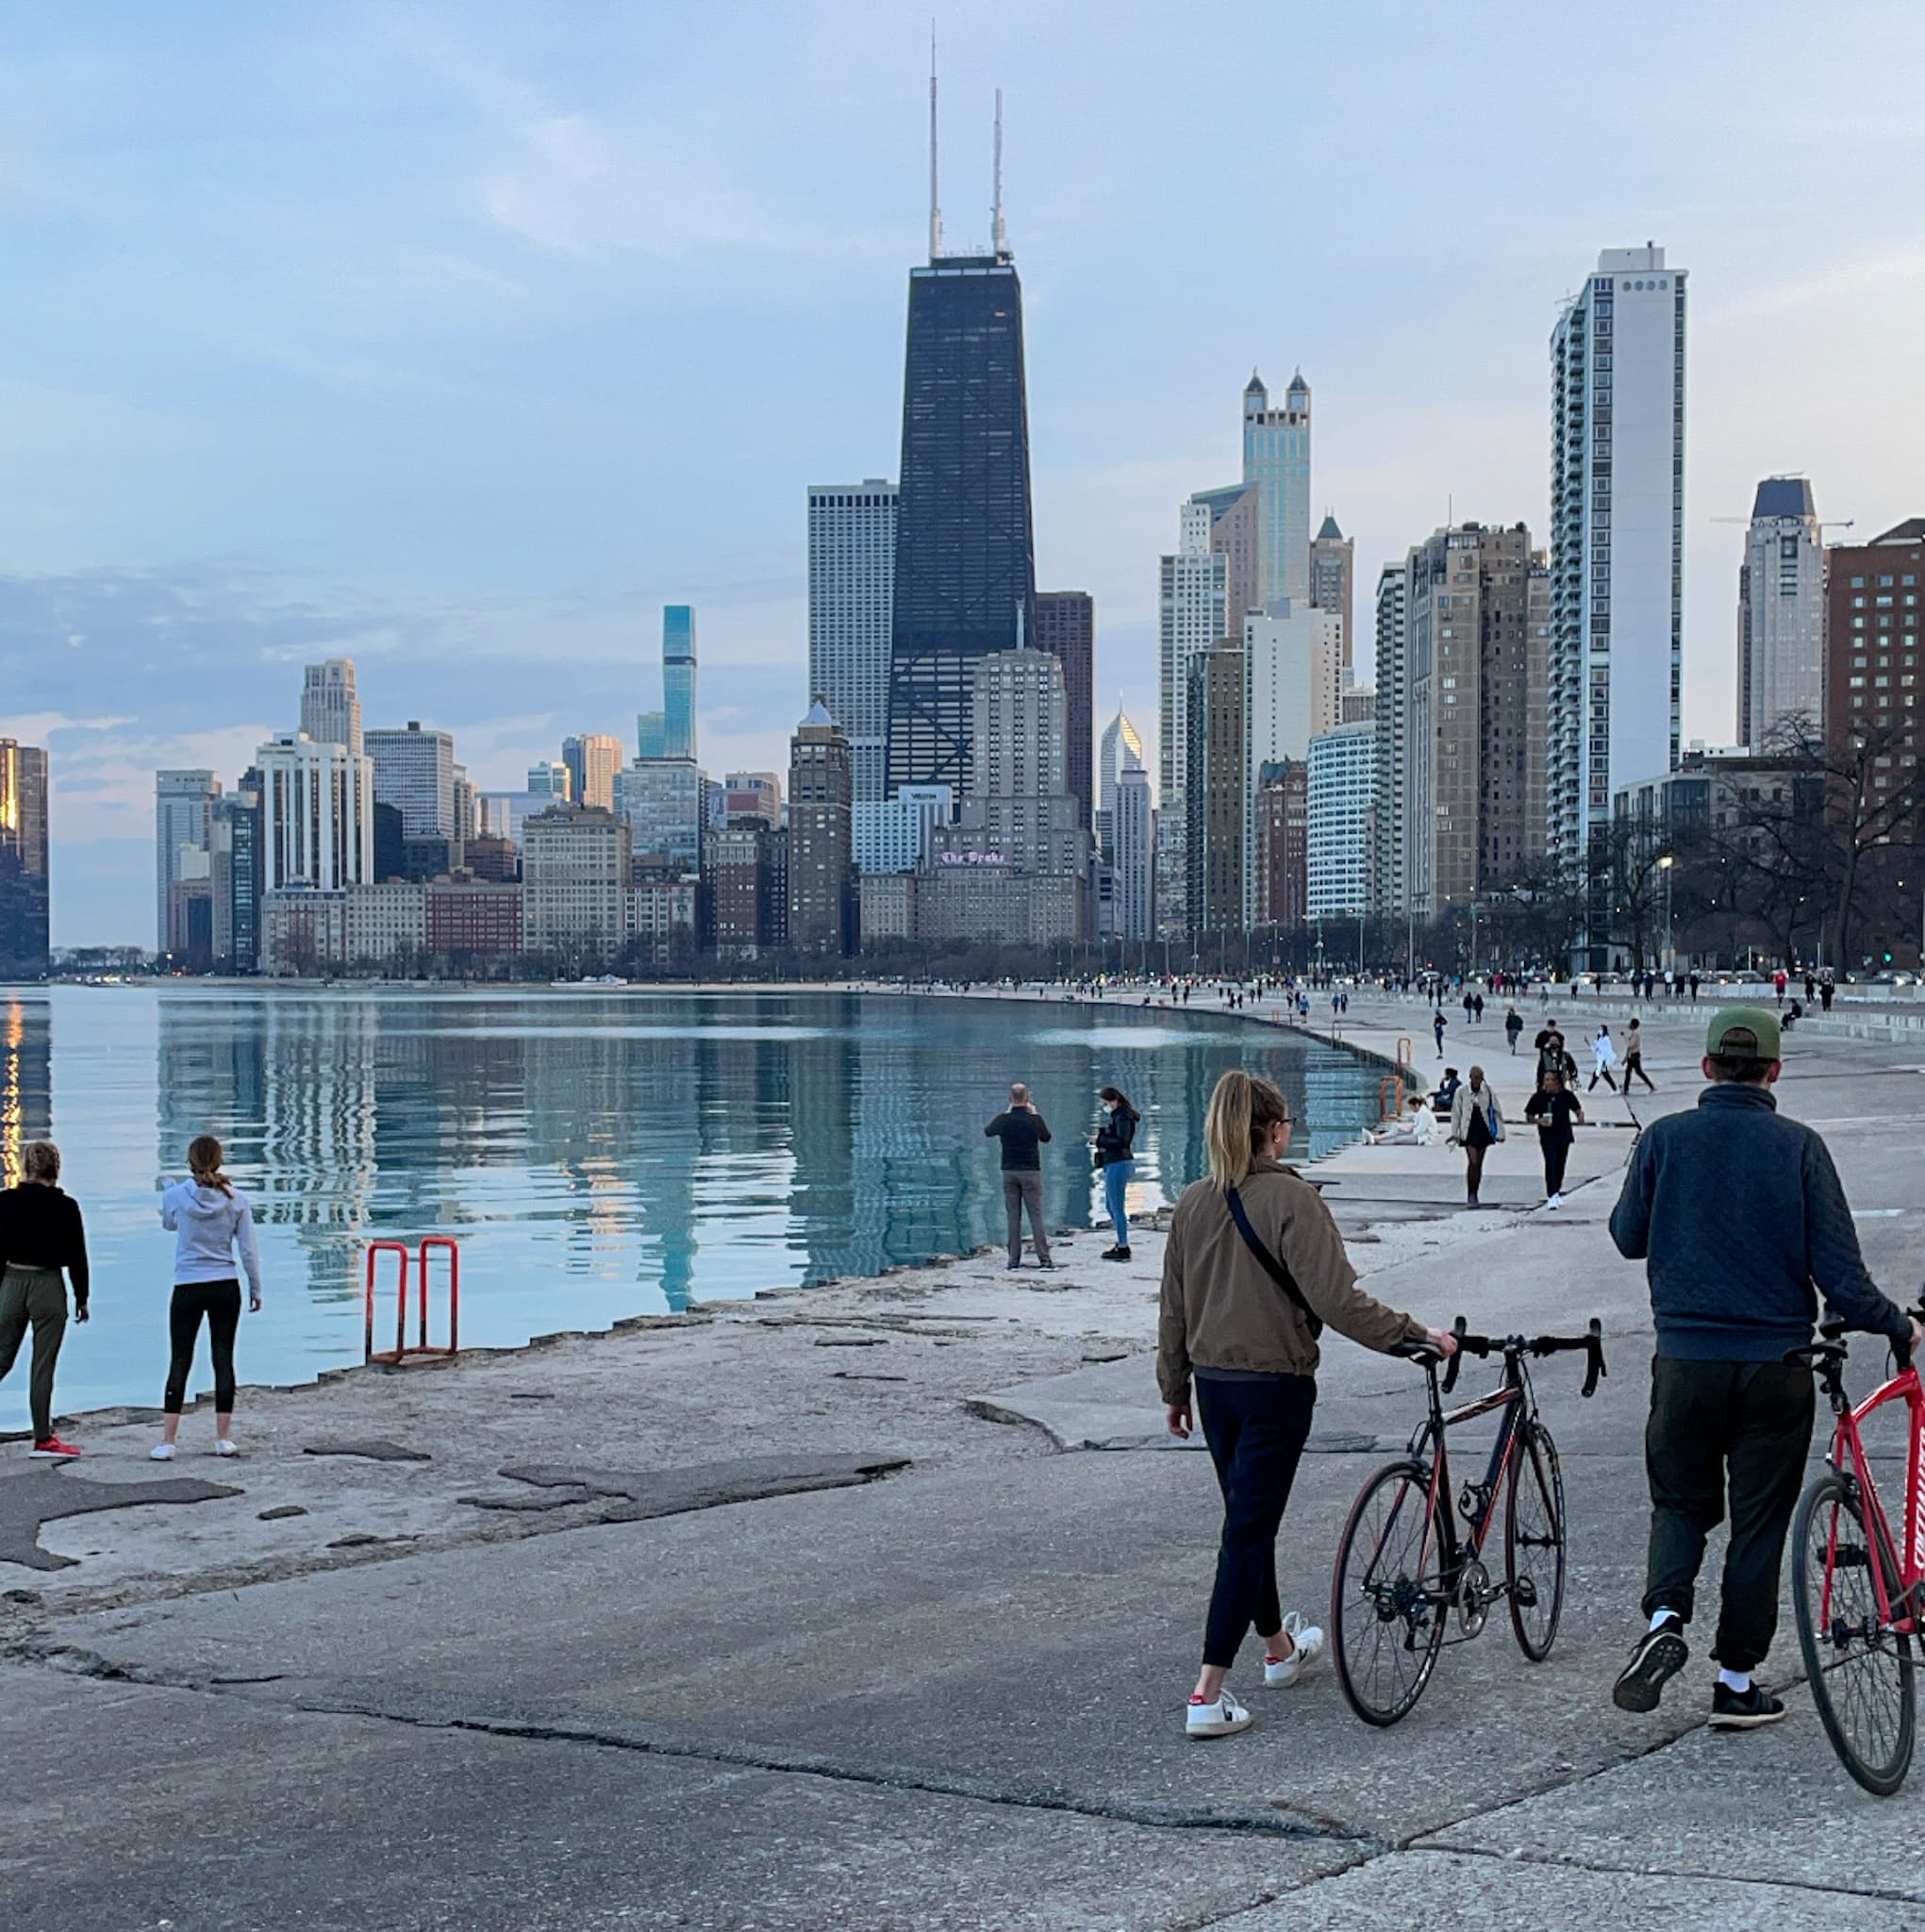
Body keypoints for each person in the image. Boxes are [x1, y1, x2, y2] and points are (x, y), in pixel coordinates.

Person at [1607, 1008, 1923, 1731]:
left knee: (1680, 1504)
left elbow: (1627, 1238)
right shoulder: (1799, 1148)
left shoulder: (1662, 1140)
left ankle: (1663, 1618)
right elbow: (1840, 1277)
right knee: (1757, 1526)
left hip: (1684, 1361)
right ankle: (1735, 1681)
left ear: (1705, 1068)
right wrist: (1896, 1323)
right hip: (1776, 1365)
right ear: (1775, 1072)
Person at [1158, 1070, 1456, 1740]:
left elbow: (1172, 1307)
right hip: (1275, 1387)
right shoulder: (1293, 1201)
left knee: (1246, 1520)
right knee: (1246, 1532)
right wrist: (1416, 1337)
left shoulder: (1193, 1202)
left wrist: (1173, 1387)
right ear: (1276, 1130)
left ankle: (1278, 1652)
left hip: (1213, 1385)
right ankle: (1206, 1693)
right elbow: (1337, 1300)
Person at [152, 1136, 263, 1458]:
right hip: (225, 1285)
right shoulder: (237, 1200)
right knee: (223, 1357)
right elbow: (248, 1250)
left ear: (190, 1162)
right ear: (219, 1161)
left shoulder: (176, 1194)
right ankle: (223, 1438)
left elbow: (170, 1224)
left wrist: (167, 1192)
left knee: (180, 1359)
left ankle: (168, 1441)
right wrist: (256, 1288)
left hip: (188, 1285)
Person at [0, 1141, 91, 1458]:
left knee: (1, 1358)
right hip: (48, 1285)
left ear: (24, 1166)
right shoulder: (66, 1207)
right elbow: (77, 1257)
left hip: (11, 1282)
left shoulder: (5, 1202)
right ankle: (43, 1439)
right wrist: (82, 1297)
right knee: (43, 1367)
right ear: (55, 1168)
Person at [985, 1085, 1054, 1273]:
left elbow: (988, 1131)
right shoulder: (1034, 1120)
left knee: (1013, 1217)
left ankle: (1013, 1260)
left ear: (1010, 1099)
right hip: (1031, 1171)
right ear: (1027, 1098)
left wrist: (1007, 1113)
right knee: (1036, 1216)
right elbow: (1046, 1137)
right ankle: (1044, 1259)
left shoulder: (1003, 1120)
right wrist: (1035, 1114)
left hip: (1009, 1171)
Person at [1091, 1086, 1139, 1262]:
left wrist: (1100, 1140)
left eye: (1105, 1103)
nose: (1104, 1107)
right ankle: (1120, 1241)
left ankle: (1123, 1247)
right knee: (1111, 1206)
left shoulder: (1123, 1116)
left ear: (1113, 1101)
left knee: (1117, 1207)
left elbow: (1122, 1141)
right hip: (1114, 1163)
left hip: (1119, 1164)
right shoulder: (1118, 1116)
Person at [1522, 1069, 1584, 1208]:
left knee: (1560, 1165)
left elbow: (1577, 1109)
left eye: (1551, 1080)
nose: (1548, 1083)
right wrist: (1539, 1121)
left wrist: (1580, 1116)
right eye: (1546, 1080)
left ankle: (1556, 1191)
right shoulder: (1538, 1097)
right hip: (1547, 1137)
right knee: (1551, 1163)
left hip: (1563, 1135)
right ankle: (1551, 1195)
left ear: (1557, 1082)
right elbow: (1528, 1116)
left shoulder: (1566, 1096)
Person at [1449, 1066, 1504, 1208]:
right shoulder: (1461, 1092)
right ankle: (1471, 1193)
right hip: (1469, 1129)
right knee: (1473, 1162)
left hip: (1483, 1128)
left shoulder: (1488, 1092)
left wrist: (1500, 1133)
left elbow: (1497, 1112)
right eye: (1476, 1077)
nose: (1478, 1081)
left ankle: (1475, 1192)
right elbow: (1456, 1112)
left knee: (1479, 1164)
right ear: (1470, 1077)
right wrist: (1455, 1133)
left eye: (1481, 1078)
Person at [1622, 1017, 1656, 1092]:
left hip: (1635, 1056)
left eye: (1630, 1023)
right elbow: (1629, 1047)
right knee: (1630, 1072)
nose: (1629, 1025)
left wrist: (1624, 1037)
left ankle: (1651, 1086)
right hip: (1631, 1056)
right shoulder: (1633, 1033)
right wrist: (1625, 1058)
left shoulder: (1636, 1034)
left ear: (1633, 1025)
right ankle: (1625, 1089)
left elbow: (1630, 1045)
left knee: (1637, 1072)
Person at [1588, 1025, 1619, 1092]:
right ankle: (1615, 1089)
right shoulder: (1600, 1039)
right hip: (1601, 1061)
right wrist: (1588, 1043)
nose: (1599, 1030)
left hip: (1603, 1061)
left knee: (1596, 1075)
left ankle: (1589, 1090)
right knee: (1606, 1076)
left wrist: (1605, 1061)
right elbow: (1595, 1048)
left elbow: (1607, 1050)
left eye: (1601, 1029)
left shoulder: (1606, 1039)